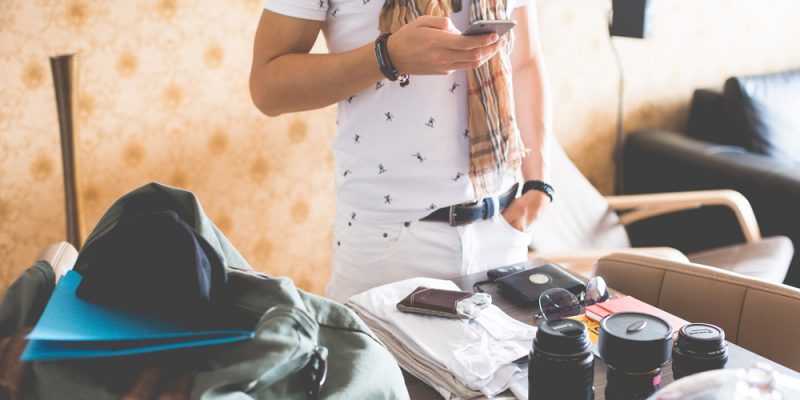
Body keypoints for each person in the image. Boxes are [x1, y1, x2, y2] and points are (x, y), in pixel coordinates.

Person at [250, 0, 553, 302]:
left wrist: (538, 186)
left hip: (502, 230)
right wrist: (387, 56)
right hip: (388, 241)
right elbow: (267, 88)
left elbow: (524, 61)